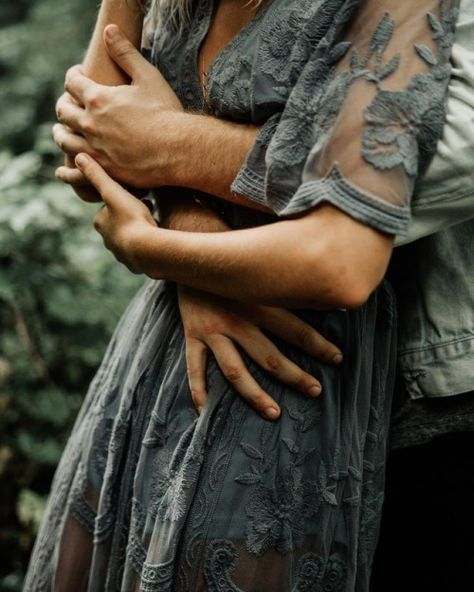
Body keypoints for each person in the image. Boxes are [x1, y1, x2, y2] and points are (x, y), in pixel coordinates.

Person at [23, 0, 469, 591]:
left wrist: (154, 225)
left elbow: (389, 188)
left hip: (317, 374)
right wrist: (189, 228)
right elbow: (97, 137)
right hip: (169, 352)